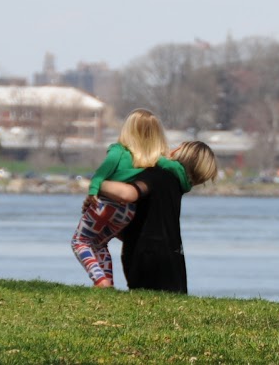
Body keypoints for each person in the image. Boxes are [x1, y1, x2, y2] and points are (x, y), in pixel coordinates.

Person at [70, 109, 188, 288]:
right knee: (100, 242)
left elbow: (102, 172)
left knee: (81, 241)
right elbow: (179, 171)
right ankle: (106, 281)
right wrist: (185, 184)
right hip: (127, 211)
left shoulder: (118, 151)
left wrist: (93, 190)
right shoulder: (157, 161)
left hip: (106, 204)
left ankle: (101, 280)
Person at [99, 140, 218, 293]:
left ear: (179, 152)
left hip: (148, 262)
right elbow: (149, 225)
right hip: (173, 265)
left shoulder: (159, 175)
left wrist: (96, 184)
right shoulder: (176, 185)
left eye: (178, 146)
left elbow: (128, 193)